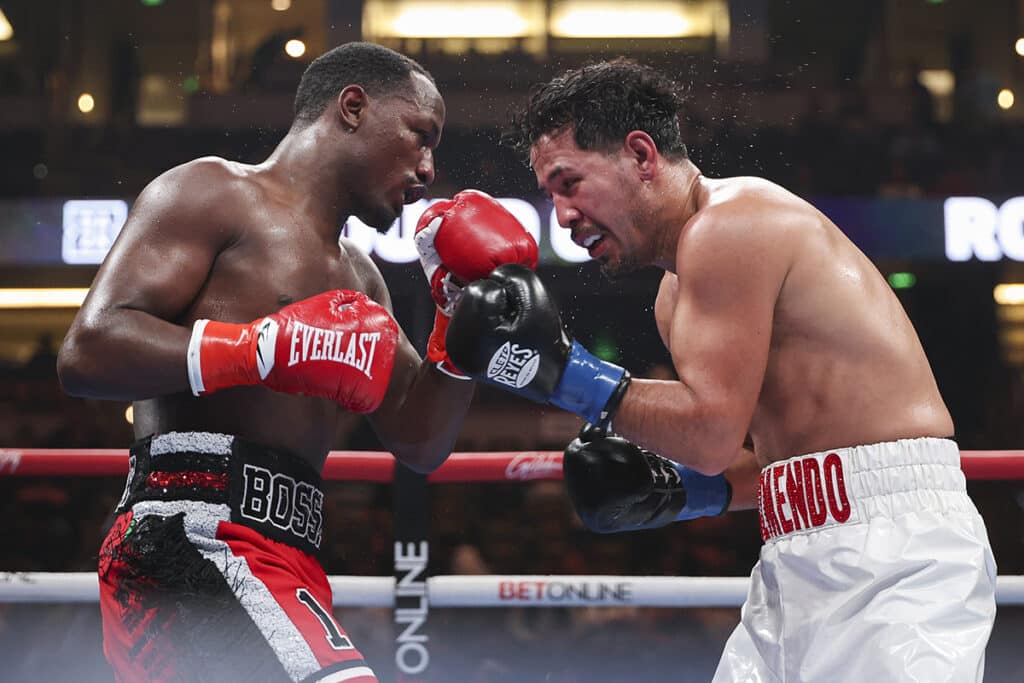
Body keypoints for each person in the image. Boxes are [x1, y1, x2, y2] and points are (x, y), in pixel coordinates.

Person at [445, 58, 996, 681]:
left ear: (641, 154)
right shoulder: (674, 296)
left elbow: (707, 434)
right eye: (551, 194)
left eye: (569, 183)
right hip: (794, 554)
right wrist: (680, 494)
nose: (562, 214)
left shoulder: (732, 223)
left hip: (898, 553)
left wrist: (561, 371)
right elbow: (763, 457)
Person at [57, 42, 537, 683]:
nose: (427, 169)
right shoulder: (211, 193)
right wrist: (259, 348)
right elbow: (87, 351)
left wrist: (457, 326)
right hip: (189, 535)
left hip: (291, 553)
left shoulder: (363, 281)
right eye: (420, 136)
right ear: (353, 107)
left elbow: (421, 442)